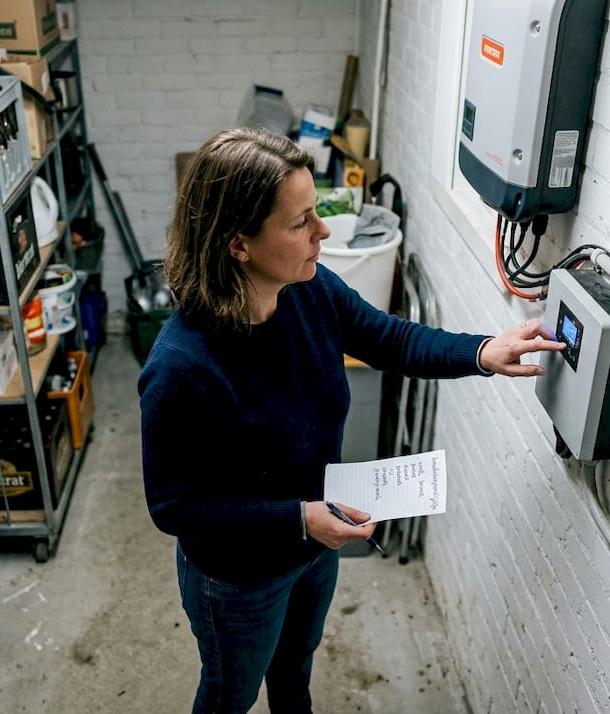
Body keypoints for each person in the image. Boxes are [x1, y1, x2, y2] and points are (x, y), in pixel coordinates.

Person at [138, 126, 565, 714]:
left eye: (316, 212)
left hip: (315, 543)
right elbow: (174, 507)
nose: (323, 232)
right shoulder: (182, 365)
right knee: (228, 694)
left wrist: (481, 350)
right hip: (238, 577)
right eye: (300, 223)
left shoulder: (309, 290)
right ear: (239, 244)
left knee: (295, 670)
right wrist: (300, 518)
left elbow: (389, 339)